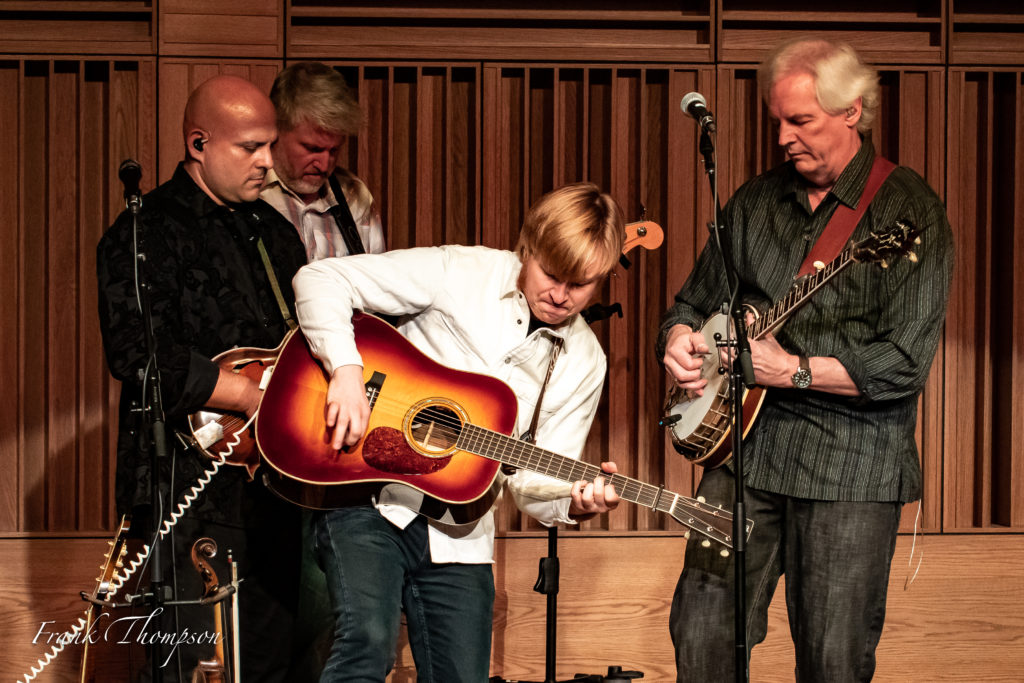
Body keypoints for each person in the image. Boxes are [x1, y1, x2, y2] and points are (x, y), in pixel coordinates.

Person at [658, 38, 953, 682]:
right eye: (778, 122)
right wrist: (678, 339)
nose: (785, 137)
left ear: (852, 111)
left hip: (851, 470)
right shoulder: (756, 201)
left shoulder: (910, 212)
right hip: (741, 461)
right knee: (700, 631)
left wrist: (788, 369)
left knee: (833, 661)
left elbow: (903, 362)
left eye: (801, 121)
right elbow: (691, 301)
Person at [291, 182, 625, 682]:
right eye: (551, 275)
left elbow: (532, 482)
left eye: (581, 286)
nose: (560, 296)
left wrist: (573, 502)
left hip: (461, 534)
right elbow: (320, 280)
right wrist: (345, 369)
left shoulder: (584, 361)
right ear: (527, 247)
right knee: (367, 643)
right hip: (369, 494)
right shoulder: (459, 272)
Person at [96, 75, 307, 681]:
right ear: (198, 144)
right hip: (183, 480)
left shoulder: (274, 232)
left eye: (271, 145)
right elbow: (137, 354)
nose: (268, 162)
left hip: (274, 478)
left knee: (270, 659)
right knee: (188, 663)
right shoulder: (143, 231)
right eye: (250, 148)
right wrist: (245, 392)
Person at [262, 61, 385, 261]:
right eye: (313, 149)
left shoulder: (354, 195)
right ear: (276, 130)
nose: (325, 164)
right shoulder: (249, 192)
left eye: (334, 150)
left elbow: (374, 285)